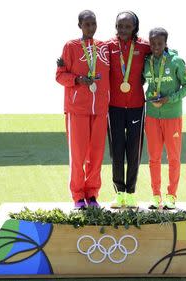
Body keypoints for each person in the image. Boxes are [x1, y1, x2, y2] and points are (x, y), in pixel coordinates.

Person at [56, 10, 110, 208]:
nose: (91, 27)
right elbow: (60, 75)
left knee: (96, 154)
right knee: (78, 155)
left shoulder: (103, 47)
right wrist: (77, 80)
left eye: (93, 23)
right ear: (79, 25)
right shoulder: (70, 47)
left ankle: (92, 194)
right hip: (77, 108)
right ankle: (78, 195)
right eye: (87, 24)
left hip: (100, 109)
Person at [143, 27, 186, 210]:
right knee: (154, 158)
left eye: (159, 43)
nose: (156, 47)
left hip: (172, 116)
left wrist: (169, 99)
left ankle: (171, 196)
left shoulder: (176, 61)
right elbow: (140, 81)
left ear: (166, 43)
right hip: (151, 116)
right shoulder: (147, 61)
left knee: (173, 157)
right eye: (153, 44)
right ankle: (156, 196)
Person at [107, 11, 151, 208]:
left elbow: (162, 54)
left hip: (136, 106)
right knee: (117, 151)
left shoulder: (144, 46)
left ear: (135, 27)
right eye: (120, 26)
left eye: (127, 26)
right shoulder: (107, 46)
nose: (123, 30)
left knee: (134, 150)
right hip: (114, 106)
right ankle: (119, 193)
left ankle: (131, 192)